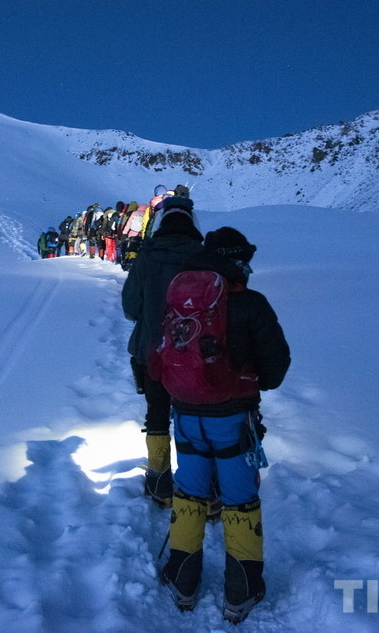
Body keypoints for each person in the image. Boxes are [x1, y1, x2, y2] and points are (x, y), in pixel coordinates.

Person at [158, 227, 291, 624]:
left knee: (190, 491)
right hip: (234, 418)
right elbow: (275, 370)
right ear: (238, 261)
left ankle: (183, 580)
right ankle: (241, 589)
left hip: (185, 414)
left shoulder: (179, 300)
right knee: (239, 498)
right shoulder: (251, 304)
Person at [121, 202, 205, 509]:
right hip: (194, 354)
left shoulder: (148, 256)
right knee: (194, 416)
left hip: (153, 352)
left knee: (157, 414)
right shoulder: (202, 256)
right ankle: (200, 484)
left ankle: (159, 480)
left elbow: (130, 307)